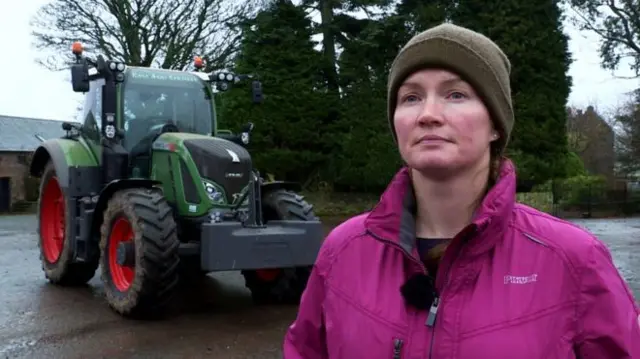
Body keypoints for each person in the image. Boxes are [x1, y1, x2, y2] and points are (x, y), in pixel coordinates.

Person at [283, 23, 640, 358]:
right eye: (410, 98)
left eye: (455, 94)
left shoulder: (574, 259)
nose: (428, 114)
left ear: (496, 125)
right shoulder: (343, 251)